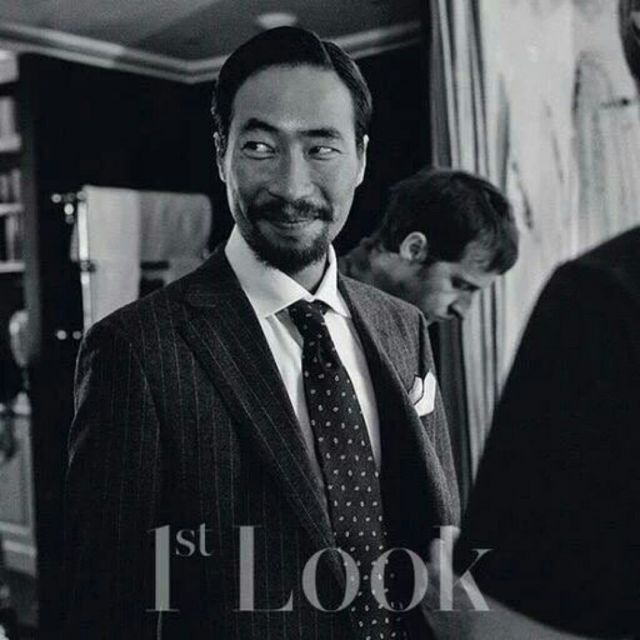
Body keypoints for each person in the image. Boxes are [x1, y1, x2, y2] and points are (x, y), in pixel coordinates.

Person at [64, 27, 460, 639]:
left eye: (321, 148)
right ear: (220, 153)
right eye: (258, 146)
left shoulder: (401, 324)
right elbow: (106, 605)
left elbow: (433, 531)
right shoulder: (135, 349)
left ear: (361, 158)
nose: (291, 186)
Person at [447, 227, 640, 638]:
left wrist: (456, 615)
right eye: (459, 285)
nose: (463, 310)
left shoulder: (601, 296)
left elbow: (508, 621)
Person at [339, 168, 518, 323]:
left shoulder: (393, 328)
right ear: (414, 249)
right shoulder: (325, 307)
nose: (461, 310)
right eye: (460, 285)